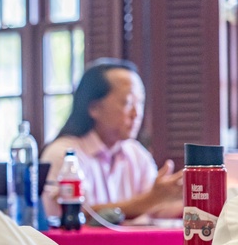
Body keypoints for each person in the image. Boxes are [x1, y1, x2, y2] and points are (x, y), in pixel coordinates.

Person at [40, 58, 184, 221]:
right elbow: (77, 216)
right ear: (94, 108)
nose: (137, 114)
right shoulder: (64, 155)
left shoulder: (136, 153)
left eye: (140, 102)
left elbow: (157, 210)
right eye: (128, 103)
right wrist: (151, 199)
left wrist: (193, 202)